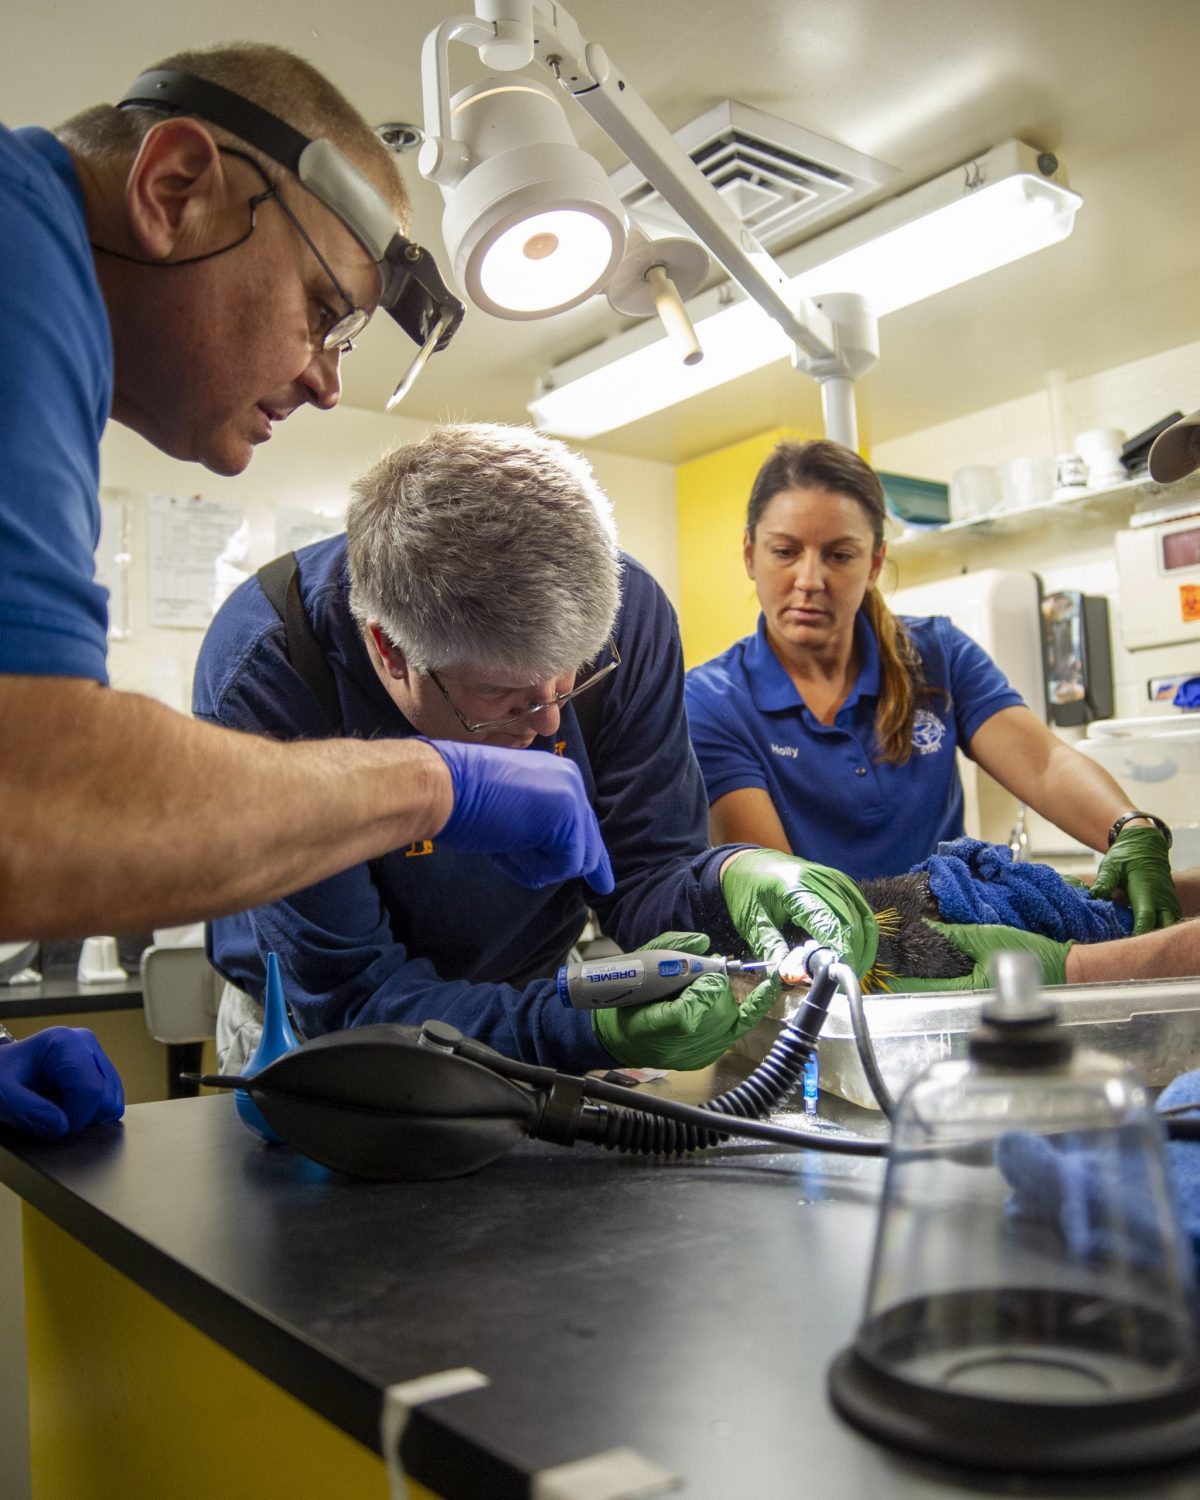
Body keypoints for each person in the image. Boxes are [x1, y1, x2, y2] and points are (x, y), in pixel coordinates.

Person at [0, 44, 612, 1137]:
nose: (331, 382)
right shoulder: (17, 255)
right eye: (324, 308)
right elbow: (32, 806)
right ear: (175, 187)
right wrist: (438, 785)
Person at [195, 422, 881, 1075]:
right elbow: (355, 996)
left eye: (574, 681)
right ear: (389, 650)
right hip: (320, 1024)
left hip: (533, 988)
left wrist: (723, 884)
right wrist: (578, 1031)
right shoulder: (269, 669)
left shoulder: (628, 612)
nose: (552, 728)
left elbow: (641, 873)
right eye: (504, 697)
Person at [683, 439, 1181, 935]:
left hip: (966, 940)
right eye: (785, 552)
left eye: (840, 555)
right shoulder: (712, 702)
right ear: (750, 554)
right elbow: (782, 890)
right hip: (832, 961)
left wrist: (1129, 830)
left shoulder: (937, 655)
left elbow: (1044, 763)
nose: (810, 579)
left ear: (874, 564)